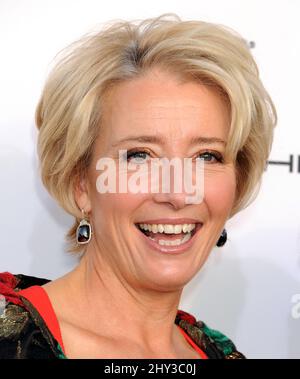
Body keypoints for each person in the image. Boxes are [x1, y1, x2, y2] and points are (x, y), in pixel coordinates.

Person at [0, 13, 276, 359]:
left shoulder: (221, 353)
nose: (178, 194)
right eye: (140, 156)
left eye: (206, 156)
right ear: (81, 182)